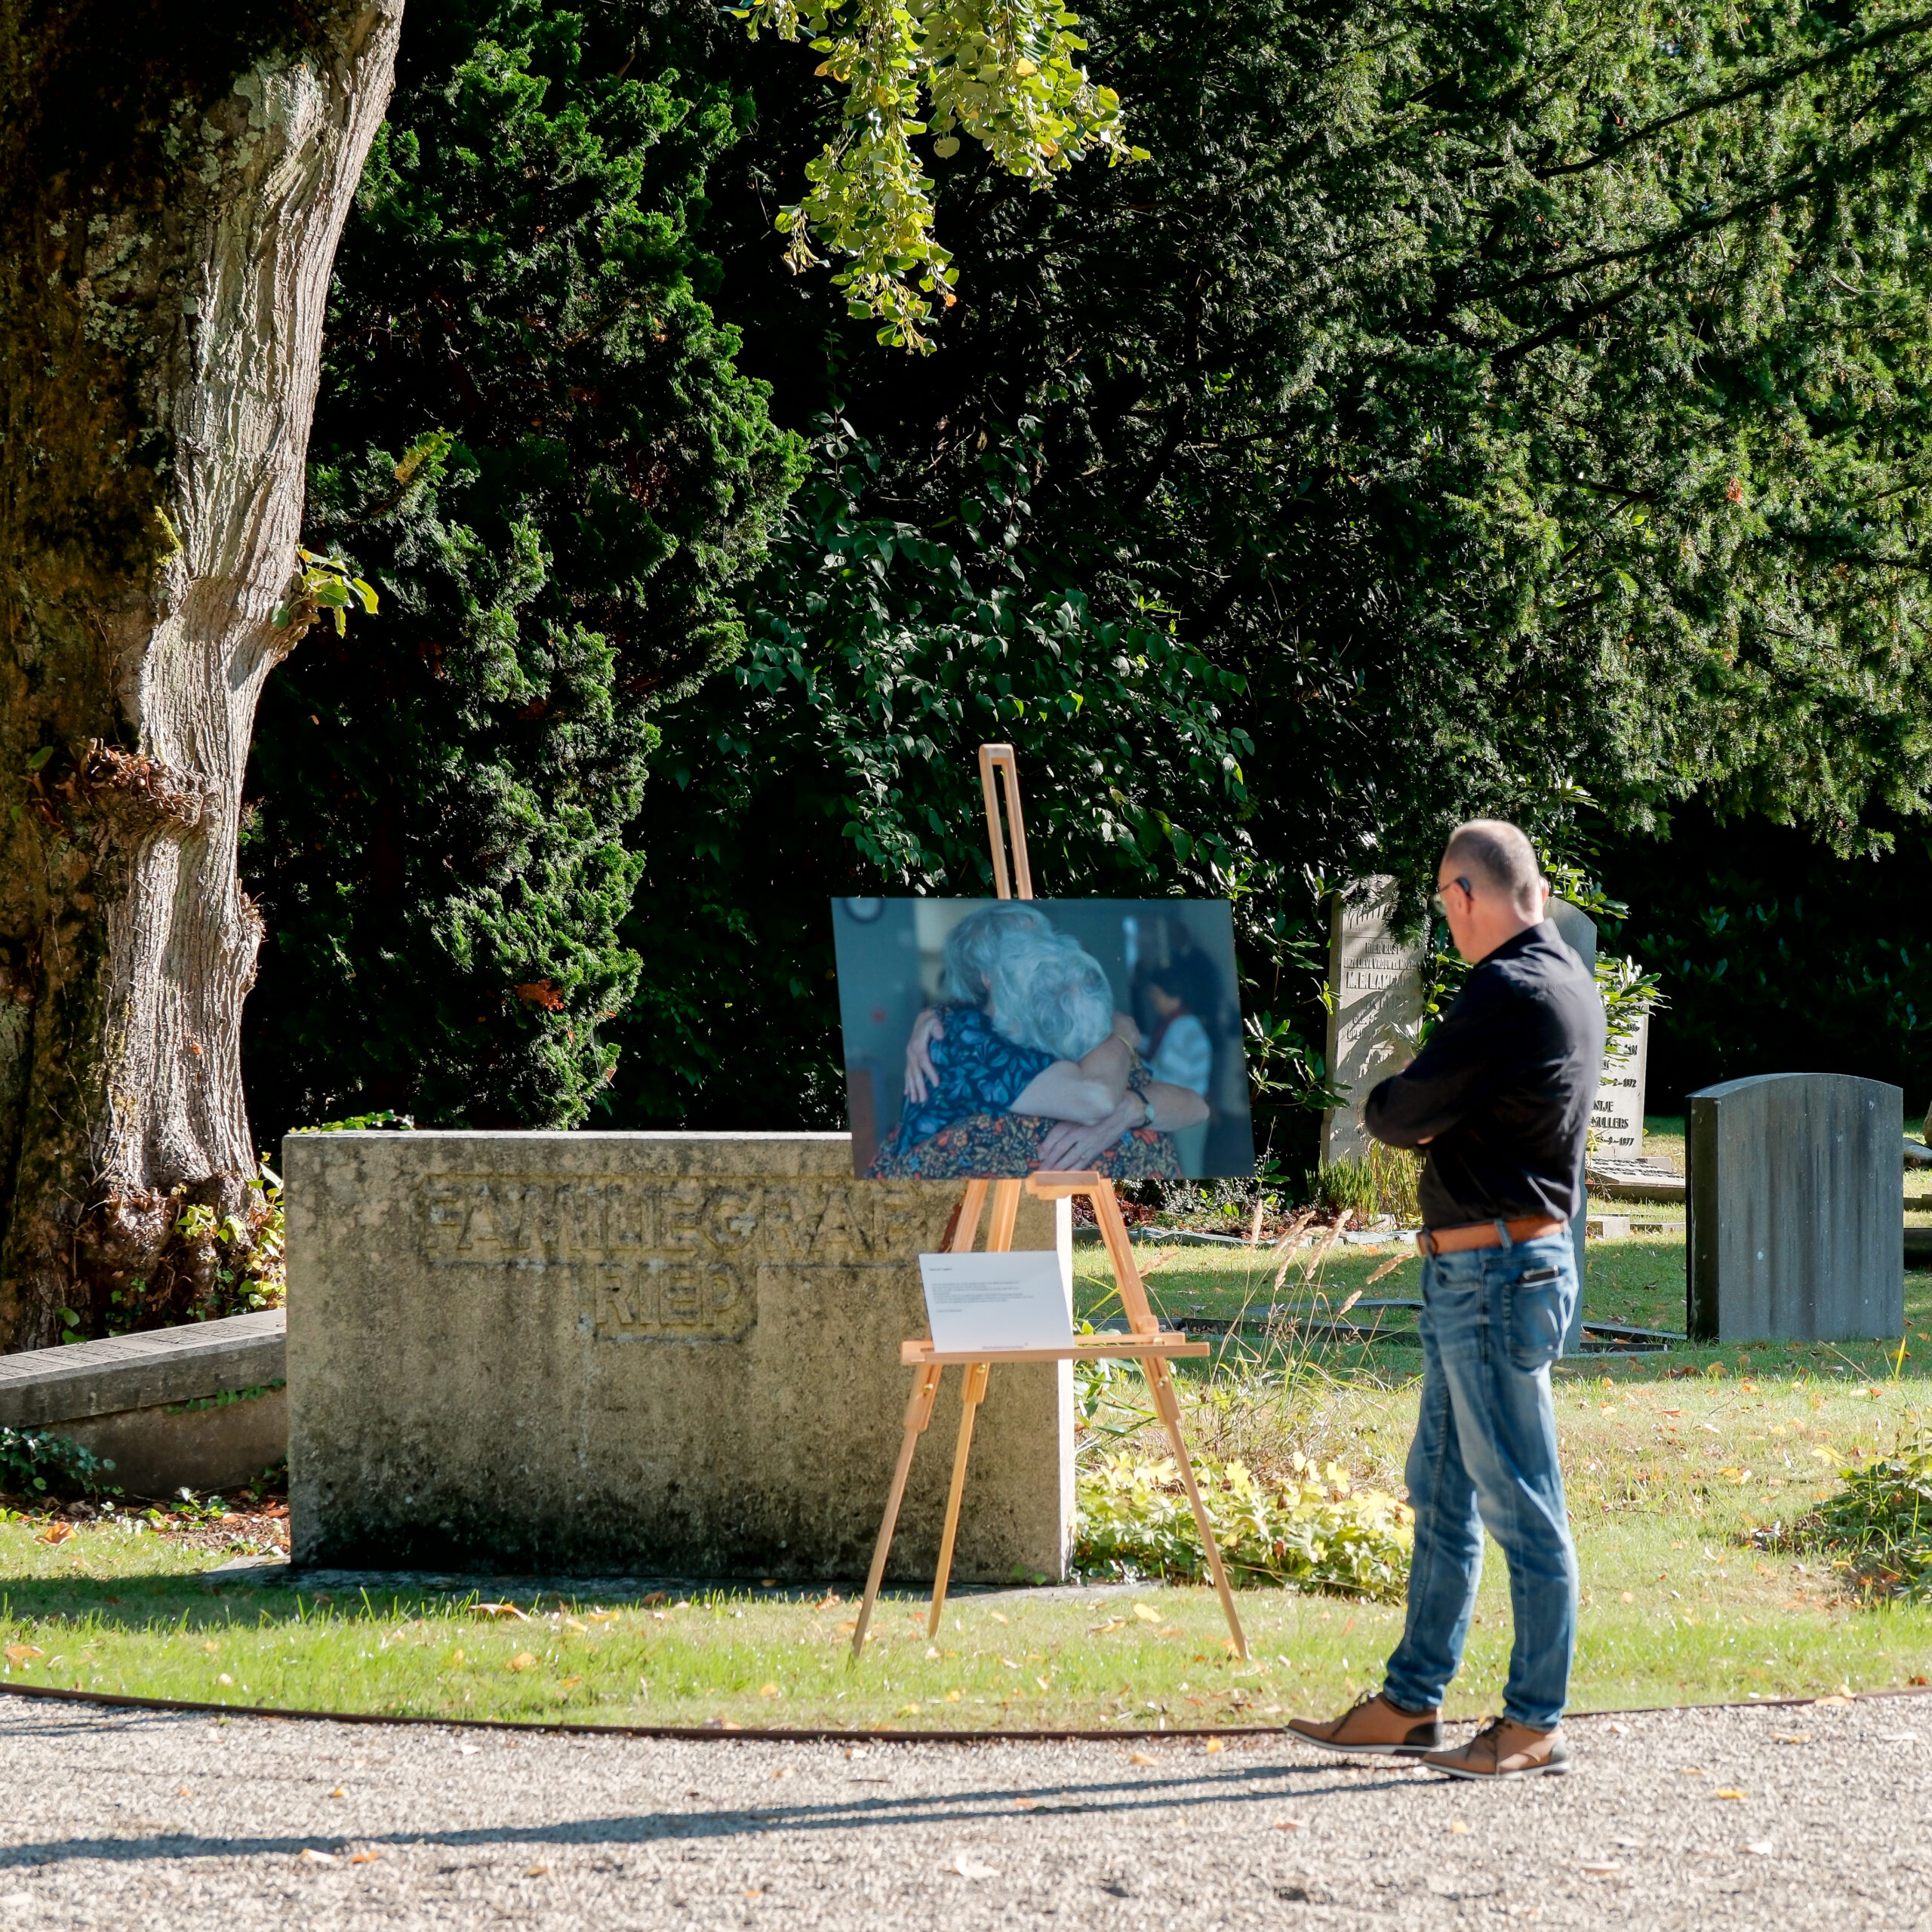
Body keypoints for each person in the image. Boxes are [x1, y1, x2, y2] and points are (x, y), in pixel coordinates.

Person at [1288, 820, 1604, 1780]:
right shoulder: (1563, 980)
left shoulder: (1506, 990)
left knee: (1518, 1500)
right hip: (1492, 1269)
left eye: (1443, 904)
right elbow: (1435, 1113)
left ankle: (1533, 1719)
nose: (1446, 921)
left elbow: (1397, 1111)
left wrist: (1422, 1115)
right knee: (1442, 1491)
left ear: (1467, 895)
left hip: (1495, 1277)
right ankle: (1411, 1701)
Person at [872, 913, 1207, 1179]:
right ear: (990, 975)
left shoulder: (1080, 1041)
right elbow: (1096, 1098)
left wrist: (1132, 1108)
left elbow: (1195, 1106)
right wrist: (1119, 1038)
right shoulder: (968, 1035)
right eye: (1025, 951)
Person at [1136, 948, 1218, 1175]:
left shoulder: (1183, 1028)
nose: (1153, 1001)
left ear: (1173, 995)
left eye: (1156, 995)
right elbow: (1160, 1051)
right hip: (1183, 1108)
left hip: (1187, 1111)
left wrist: (1136, 1069)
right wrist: (1136, 1041)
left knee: (1189, 1169)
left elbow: (1169, 1077)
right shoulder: (1177, 1024)